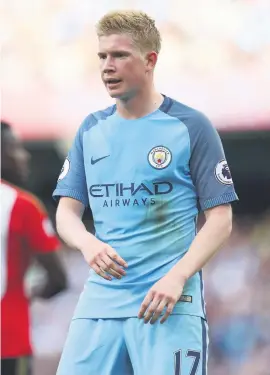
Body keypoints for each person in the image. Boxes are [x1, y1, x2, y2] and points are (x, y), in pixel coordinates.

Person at [53, 10, 238, 375]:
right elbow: (66, 213)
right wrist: (88, 244)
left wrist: (177, 276)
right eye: (102, 56)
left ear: (150, 60)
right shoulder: (91, 129)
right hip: (101, 304)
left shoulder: (191, 126)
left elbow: (221, 220)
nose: (108, 66)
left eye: (120, 55)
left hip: (168, 303)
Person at [1, 121, 67, 375]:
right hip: (7, 340)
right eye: (14, 148)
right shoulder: (22, 205)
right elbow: (58, 279)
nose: (24, 156)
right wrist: (27, 293)